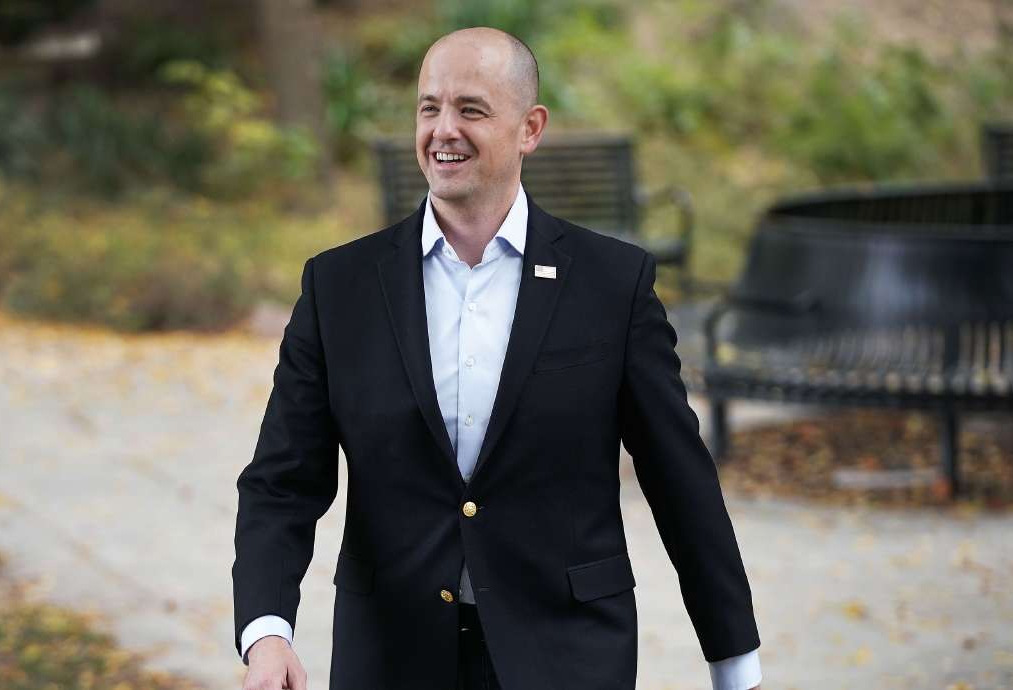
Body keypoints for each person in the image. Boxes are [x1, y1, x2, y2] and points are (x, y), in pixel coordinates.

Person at [233, 26, 762, 690]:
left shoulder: (611, 284)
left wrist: (733, 660)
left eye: (471, 109)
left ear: (529, 128)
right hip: (391, 657)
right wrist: (266, 631)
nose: (442, 130)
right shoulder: (339, 287)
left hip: (567, 653)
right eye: (429, 108)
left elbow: (678, 477)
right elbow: (282, 479)